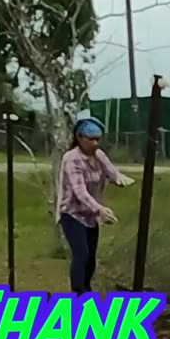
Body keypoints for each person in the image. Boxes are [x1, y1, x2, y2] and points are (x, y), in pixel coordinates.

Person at [56, 117, 135, 293]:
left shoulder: (98, 155)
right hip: (72, 213)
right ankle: (78, 293)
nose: (95, 143)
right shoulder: (71, 158)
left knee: (91, 258)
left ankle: (86, 289)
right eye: (91, 139)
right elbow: (79, 191)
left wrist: (124, 181)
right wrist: (100, 209)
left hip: (90, 216)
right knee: (81, 254)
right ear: (79, 138)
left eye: (98, 139)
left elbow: (112, 173)